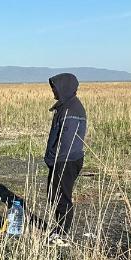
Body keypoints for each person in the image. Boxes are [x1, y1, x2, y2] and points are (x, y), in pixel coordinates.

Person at [44, 72, 87, 246]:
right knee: (55, 195)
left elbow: (66, 142)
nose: (53, 91)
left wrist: (53, 160)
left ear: (64, 88)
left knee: (61, 198)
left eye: (55, 87)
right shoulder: (66, 106)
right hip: (63, 160)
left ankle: (61, 234)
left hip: (65, 161)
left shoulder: (70, 110)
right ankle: (59, 229)